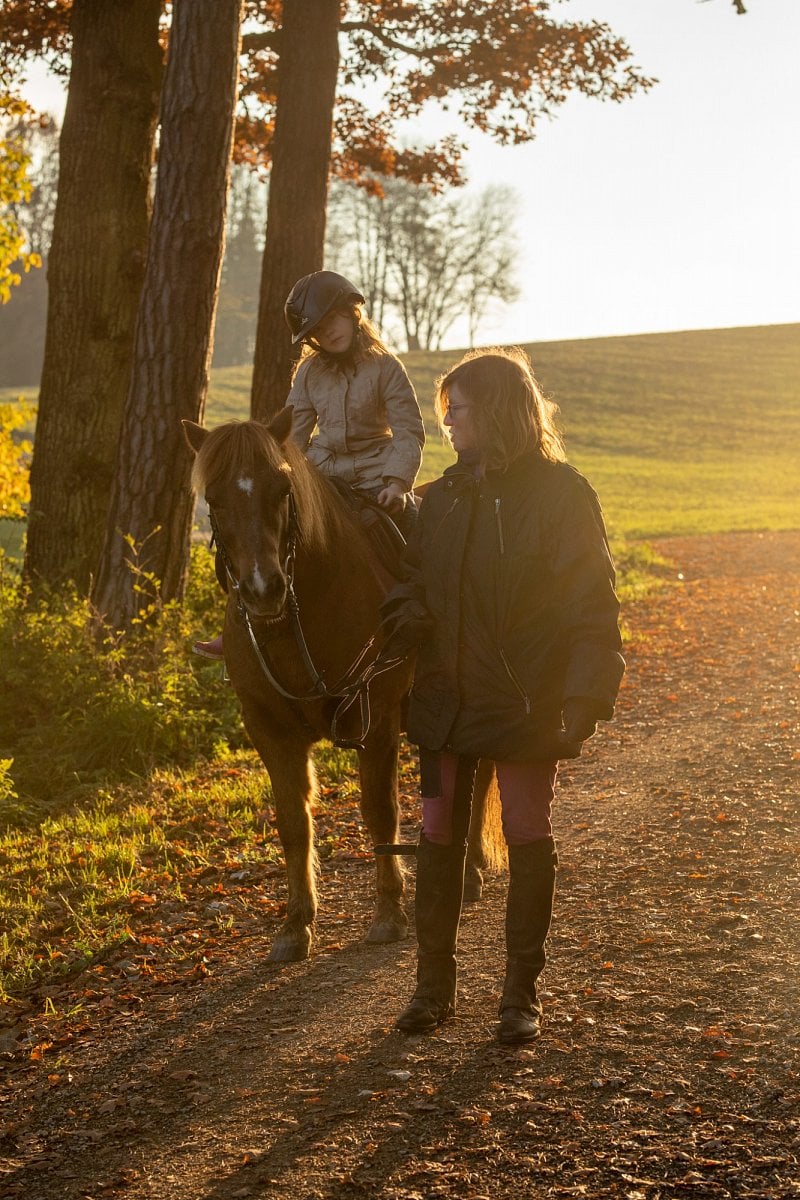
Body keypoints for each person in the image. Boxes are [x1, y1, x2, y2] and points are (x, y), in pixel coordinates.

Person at [380, 346, 625, 1044]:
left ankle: (520, 997)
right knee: (436, 833)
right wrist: (407, 615)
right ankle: (432, 991)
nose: (449, 423)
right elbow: (409, 581)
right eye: (445, 411)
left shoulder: (561, 494)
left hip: (526, 702)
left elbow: (592, 602)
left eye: (458, 409)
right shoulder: (440, 499)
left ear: (496, 409)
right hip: (443, 702)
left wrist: (584, 693)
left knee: (525, 832)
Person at [193, 271, 425, 659]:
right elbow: (293, 435)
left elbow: (409, 431)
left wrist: (397, 482)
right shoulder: (309, 373)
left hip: (377, 476)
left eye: (331, 319)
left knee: (419, 539)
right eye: (317, 329)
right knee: (263, 535)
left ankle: (424, 621)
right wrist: (283, 476)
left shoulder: (386, 368)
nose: (327, 333)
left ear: (352, 312)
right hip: (323, 476)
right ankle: (238, 631)